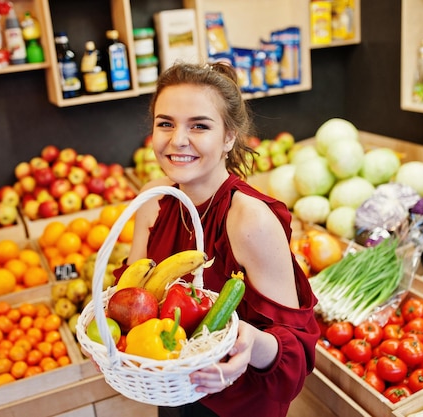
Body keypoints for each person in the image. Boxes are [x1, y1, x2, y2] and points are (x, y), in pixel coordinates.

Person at [117, 61, 320, 417]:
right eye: (165, 123)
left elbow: (296, 354)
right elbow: (134, 298)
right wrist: (108, 334)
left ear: (229, 137)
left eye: (199, 125)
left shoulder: (249, 219)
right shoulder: (154, 200)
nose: (177, 139)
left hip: (238, 401)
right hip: (174, 388)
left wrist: (251, 344)